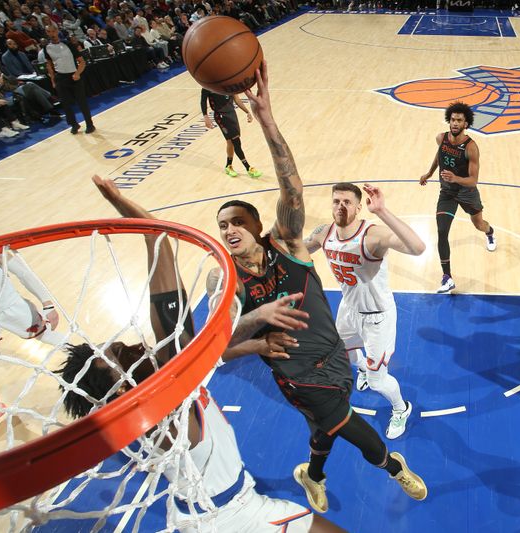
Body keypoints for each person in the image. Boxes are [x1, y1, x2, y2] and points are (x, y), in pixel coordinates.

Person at [57, 175, 343, 533]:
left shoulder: (147, 399)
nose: (133, 345)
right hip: (234, 517)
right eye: (121, 355)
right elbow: (191, 335)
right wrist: (255, 319)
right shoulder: (163, 403)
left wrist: (122, 204)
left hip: (203, 511)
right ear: (120, 389)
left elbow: (156, 238)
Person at [210, 62, 427, 514]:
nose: (231, 230)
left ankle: (313, 474)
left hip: (338, 346)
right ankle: (393, 466)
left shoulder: (290, 244)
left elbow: (292, 189)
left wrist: (267, 122)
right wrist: (255, 334)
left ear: (258, 224)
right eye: (223, 225)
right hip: (297, 373)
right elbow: (219, 348)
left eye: (239, 221)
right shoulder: (226, 280)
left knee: (324, 425)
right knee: (344, 422)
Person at [304, 182, 425, 439]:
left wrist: (382, 211)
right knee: (343, 353)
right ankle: (362, 369)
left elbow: (418, 248)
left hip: (377, 317)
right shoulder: (323, 233)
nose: (341, 206)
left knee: (379, 380)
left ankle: (401, 408)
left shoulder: (372, 235)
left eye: (347, 202)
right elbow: (296, 251)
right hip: (348, 309)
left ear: (359, 207)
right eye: (336, 201)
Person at [0, 235, 64, 440]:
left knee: (49, 338)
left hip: (9, 308)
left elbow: (23, 273)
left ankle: (93, 360)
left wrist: (48, 304)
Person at [419, 101, 497, 294]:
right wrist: (429, 173)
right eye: (452, 119)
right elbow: (440, 156)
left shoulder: (471, 147)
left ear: (466, 124)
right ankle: (447, 277)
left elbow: (473, 180)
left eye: (459, 120)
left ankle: (490, 232)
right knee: (442, 231)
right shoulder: (441, 138)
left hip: (467, 193)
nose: (454, 123)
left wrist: (456, 178)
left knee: (479, 224)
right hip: (447, 193)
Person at [43, 24, 95, 134]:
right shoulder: (46, 48)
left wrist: (77, 73)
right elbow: (49, 65)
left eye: (53, 31)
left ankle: (90, 124)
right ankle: (73, 124)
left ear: (57, 31)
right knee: (66, 104)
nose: (51, 34)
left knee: (82, 102)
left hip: (74, 75)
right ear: (46, 33)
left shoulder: (68, 44)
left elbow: (82, 62)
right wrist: (52, 80)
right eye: (49, 32)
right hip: (60, 77)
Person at [201, 88, 262, 178]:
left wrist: (247, 112)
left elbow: (236, 99)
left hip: (231, 114)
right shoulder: (208, 84)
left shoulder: (228, 83)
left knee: (230, 142)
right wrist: (206, 117)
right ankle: (248, 168)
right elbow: (203, 101)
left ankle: (228, 166)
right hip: (220, 116)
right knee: (236, 141)